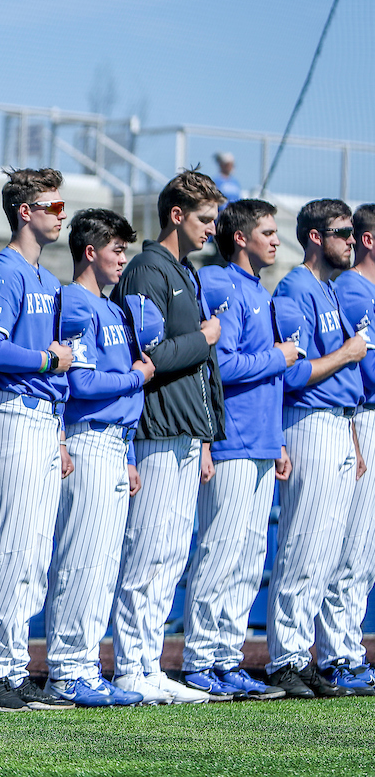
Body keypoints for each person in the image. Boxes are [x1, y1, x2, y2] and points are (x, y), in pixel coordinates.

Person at [108, 169, 226, 705]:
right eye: (205, 219)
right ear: (176, 215)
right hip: (155, 430)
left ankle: (148, 662)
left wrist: (204, 435)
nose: (213, 228)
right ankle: (132, 666)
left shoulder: (187, 271)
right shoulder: (146, 271)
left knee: (171, 553)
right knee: (149, 550)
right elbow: (148, 358)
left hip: (184, 431)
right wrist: (203, 339)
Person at [178, 199, 296, 700]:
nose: (275, 239)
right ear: (241, 238)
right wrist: (277, 357)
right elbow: (220, 366)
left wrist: (280, 439)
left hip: (263, 441)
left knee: (249, 558)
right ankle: (201, 659)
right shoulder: (222, 282)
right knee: (220, 552)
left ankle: (228, 657)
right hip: (230, 442)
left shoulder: (258, 289)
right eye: (266, 232)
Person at [0, 167, 74, 711]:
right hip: (10, 413)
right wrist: (43, 359)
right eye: (51, 207)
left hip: (42, 418)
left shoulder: (50, 281)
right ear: (24, 212)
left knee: (34, 551)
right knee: (12, 545)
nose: (61, 215)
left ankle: (14, 664)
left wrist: (57, 431)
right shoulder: (1, 270)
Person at [43, 209, 152, 707]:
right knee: (82, 558)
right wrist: (134, 378)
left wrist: (129, 452)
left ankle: (84, 665)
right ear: (91, 252)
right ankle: (67, 671)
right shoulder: (76, 303)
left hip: (114, 443)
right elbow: (81, 383)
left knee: (104, 561)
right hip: (86, 439)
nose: (122, 257)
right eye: (116, 248)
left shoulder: (113, 308)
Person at [266, 199, 366, 699]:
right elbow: (292, 372)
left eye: (351, 232)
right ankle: (286, 658)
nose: (351, 239)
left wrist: (353, 437)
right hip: (309, 423)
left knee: (328, 551)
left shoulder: (326, 289)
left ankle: (311, 657)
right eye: (341, 232)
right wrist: (347, 354)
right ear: (313, 236)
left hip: (339, 424)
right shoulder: (295, 288)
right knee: (304, 547)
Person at [326, 201, 375, 695]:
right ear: (368, 239)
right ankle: (341, 655)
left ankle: (349, 649)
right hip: (361, 415)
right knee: (353, 550)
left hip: (362, 418)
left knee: (367, 552)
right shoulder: (354, 291)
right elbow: (368, 371)